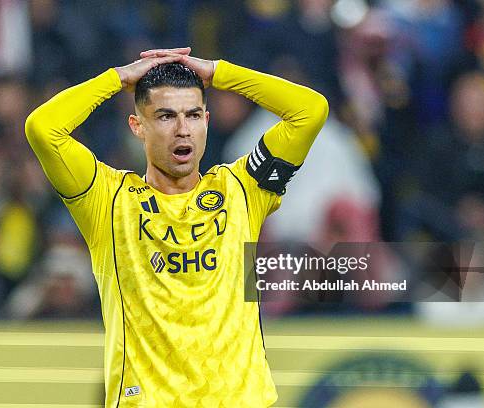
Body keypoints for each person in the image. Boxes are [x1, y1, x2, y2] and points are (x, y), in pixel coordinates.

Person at [25, 47, 328, 407]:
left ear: (206, 121)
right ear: (137, 126)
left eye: (193, 115)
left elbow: (309, 111)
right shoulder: (107, 199)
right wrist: (118, 78)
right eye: (166, 116)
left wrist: (219, 73)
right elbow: (43, 128)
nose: (183, 130)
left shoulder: (242, 189)